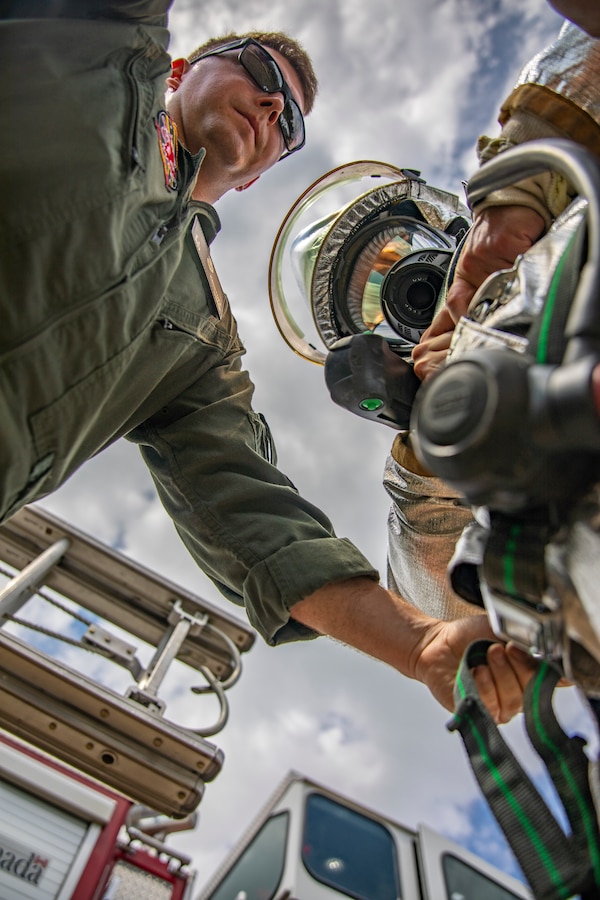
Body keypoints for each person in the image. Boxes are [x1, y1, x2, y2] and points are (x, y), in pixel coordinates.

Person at [0, 1, 534, 720]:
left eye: (290, 124)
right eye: (256, 70)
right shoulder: (96, 52)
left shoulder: (200, 342)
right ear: (181, 69)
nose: (273, 103)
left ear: (258, 175)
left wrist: (419, 645)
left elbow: (254, 519)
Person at [385, 4, 600, 625]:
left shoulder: (572, 230)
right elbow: (441, 617)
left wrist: (526, 171)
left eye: (399, 257)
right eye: (377, 302)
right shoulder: (434, 457)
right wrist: (434, 445)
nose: (409, 290)